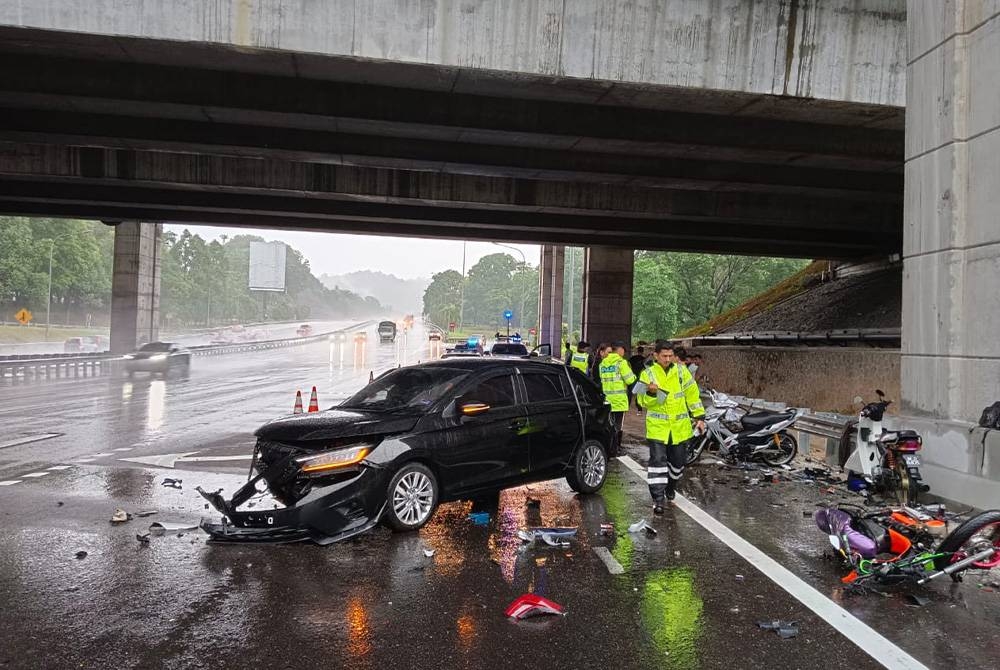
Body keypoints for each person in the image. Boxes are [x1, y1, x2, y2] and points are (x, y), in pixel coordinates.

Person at [635, 340, 706, 514]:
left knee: (678, 463)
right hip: (658, 428)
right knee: (657, 463)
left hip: (680, 429)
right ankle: (658, 499)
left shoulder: (682, 372)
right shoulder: (648, 374)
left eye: (670, 356)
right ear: (656, 356)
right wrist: (651, 393)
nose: (667, 359)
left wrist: (699, 417)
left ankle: (670, 486)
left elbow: (692, 395)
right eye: (664, 356)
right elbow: (641, 401)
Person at [598, 341, 637, 456]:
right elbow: (630, 380)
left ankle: (608, 448)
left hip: (607, 399)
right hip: (619, 400)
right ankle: (615, 450)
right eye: (624, 350)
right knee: (617, 426)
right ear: (619, 349)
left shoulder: (603, 363)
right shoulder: (621, 363)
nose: (624, 353)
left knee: (609, 425)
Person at [628, 345, 647, 415]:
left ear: (637, 351)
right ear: (643, 351)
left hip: (632, 377)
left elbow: (628, 365)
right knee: (639, 393)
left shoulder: (632, 358)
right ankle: (639, 409)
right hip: (640, 377)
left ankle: (627, 406)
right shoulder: (644, 359)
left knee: (630, 392)